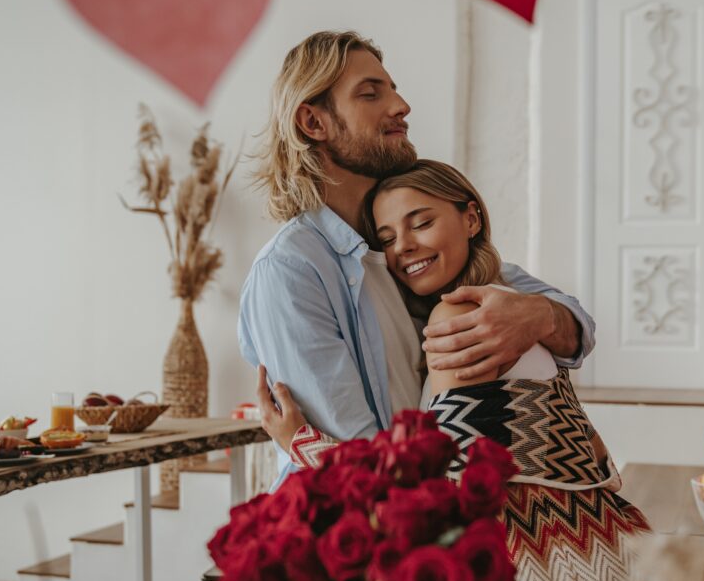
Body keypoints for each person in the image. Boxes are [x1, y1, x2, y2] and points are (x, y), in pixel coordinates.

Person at [261, 160, 652, 581]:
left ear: (471, 219)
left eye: (421, 223)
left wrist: (302, 443)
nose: (403, 246)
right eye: (386, 237)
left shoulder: (461, 317)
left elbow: (430, 496)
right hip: (603, 557)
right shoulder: (502, 301)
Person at [239, 31, 594, 490]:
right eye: (371, 93)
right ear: (313, 122)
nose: (402, 105)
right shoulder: (291, 271)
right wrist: (304, 443)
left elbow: (575, 328)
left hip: (444, 523)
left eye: (394, 88)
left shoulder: (414, 249)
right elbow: (357, 459)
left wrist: (540, 317)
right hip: (362, 540)